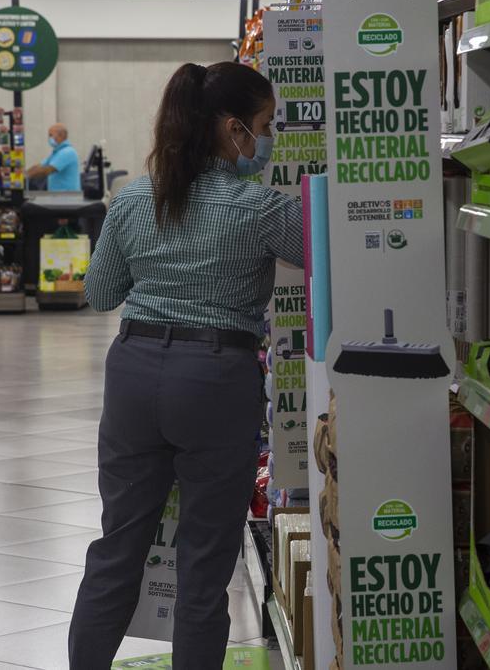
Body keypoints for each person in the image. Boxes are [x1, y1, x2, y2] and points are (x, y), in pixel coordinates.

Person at [70, 62, 302, 669]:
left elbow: (100, 294)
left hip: (134, 373)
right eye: (264, 125)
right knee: (203, 568)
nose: (267, 138)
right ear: (232, 130)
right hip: (217, 381)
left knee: (117, 550)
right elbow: (332, 253)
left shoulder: (136, 199)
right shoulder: (260, 207)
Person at [27, 123, 81, 191]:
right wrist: (24, 173)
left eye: (50, 135)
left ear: (61, 135)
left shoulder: (67, 152)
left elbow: (47, 170)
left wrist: (26, 176)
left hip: (67, 197)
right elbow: (40, 166)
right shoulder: (57, 152)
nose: (49, 138)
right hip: (58, 196)